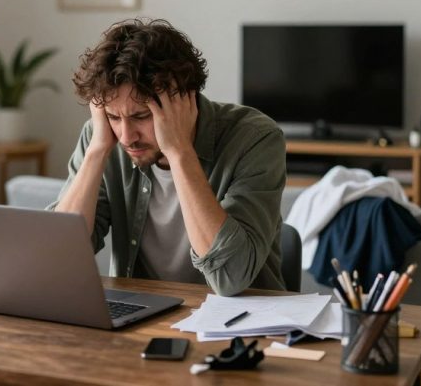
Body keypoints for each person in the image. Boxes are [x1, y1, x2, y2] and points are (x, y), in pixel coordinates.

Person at [50, 19, 286, 297]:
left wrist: (179, 151)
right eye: (113, 116)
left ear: (184, 99)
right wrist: (97, 150)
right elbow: (56, 260)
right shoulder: (103, 138)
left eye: (141, 116)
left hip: (241, 325)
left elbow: (230, 276)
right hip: (142, 318)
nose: (126, 137)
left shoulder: (255, 138)